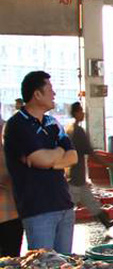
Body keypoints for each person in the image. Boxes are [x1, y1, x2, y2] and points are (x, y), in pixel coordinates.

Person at [3, 72, 77, 253]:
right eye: (50, 89)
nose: (54, 94)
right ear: (37, 94)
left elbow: (73, 157)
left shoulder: (52, 122)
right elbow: (40, 159)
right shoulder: (17, 124)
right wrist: (60, 152)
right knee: (44, 268)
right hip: (38, 209)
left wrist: (52, 159)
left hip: (64, 205)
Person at [66, 102, 113, 229]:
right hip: (76, 179)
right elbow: (91, 152)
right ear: (76, 113)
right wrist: (108, 164)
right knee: (67, 209)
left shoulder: (69, 128)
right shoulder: (78, 131)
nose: (83, 113)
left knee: (92, 204)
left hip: (75, 177)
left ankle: (107, 224)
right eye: (81, 110)